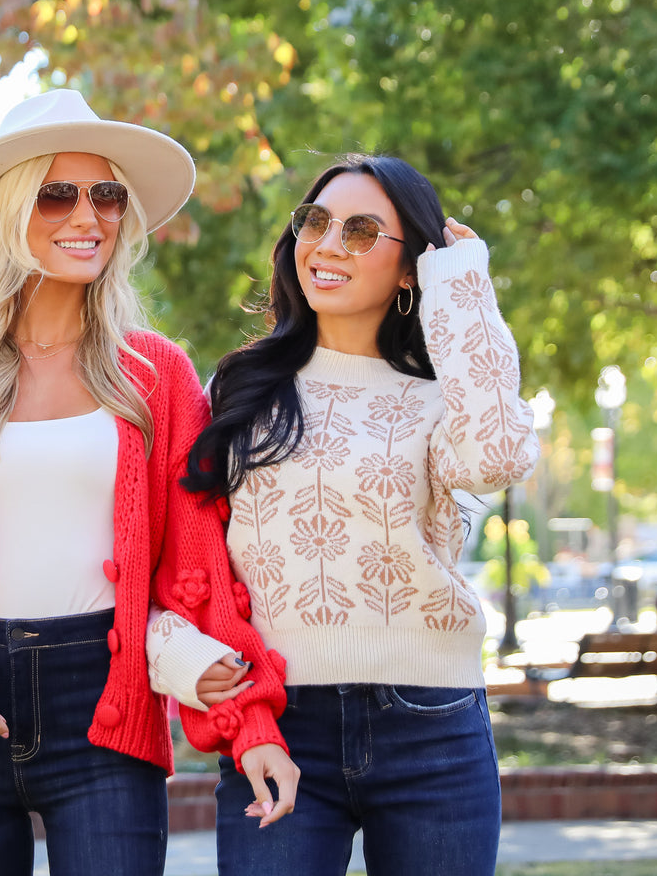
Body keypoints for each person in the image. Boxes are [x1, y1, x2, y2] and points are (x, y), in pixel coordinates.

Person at [0, 89, 298, 876]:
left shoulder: (157, 376)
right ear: (12, 212)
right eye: (58, 193)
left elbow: (199, 568)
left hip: (106, 706)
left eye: (106, 195)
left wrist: (250, 719)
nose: (87, 215)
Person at [178, 155, 540, 875]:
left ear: (411, 271)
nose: (328, 244)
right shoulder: (238, 391)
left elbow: (499, 456)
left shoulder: (442, 398)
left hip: (432, 725)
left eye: (362, 230)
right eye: (316, 222)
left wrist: (462, 281)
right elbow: (192, 557)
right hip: (277, 722)